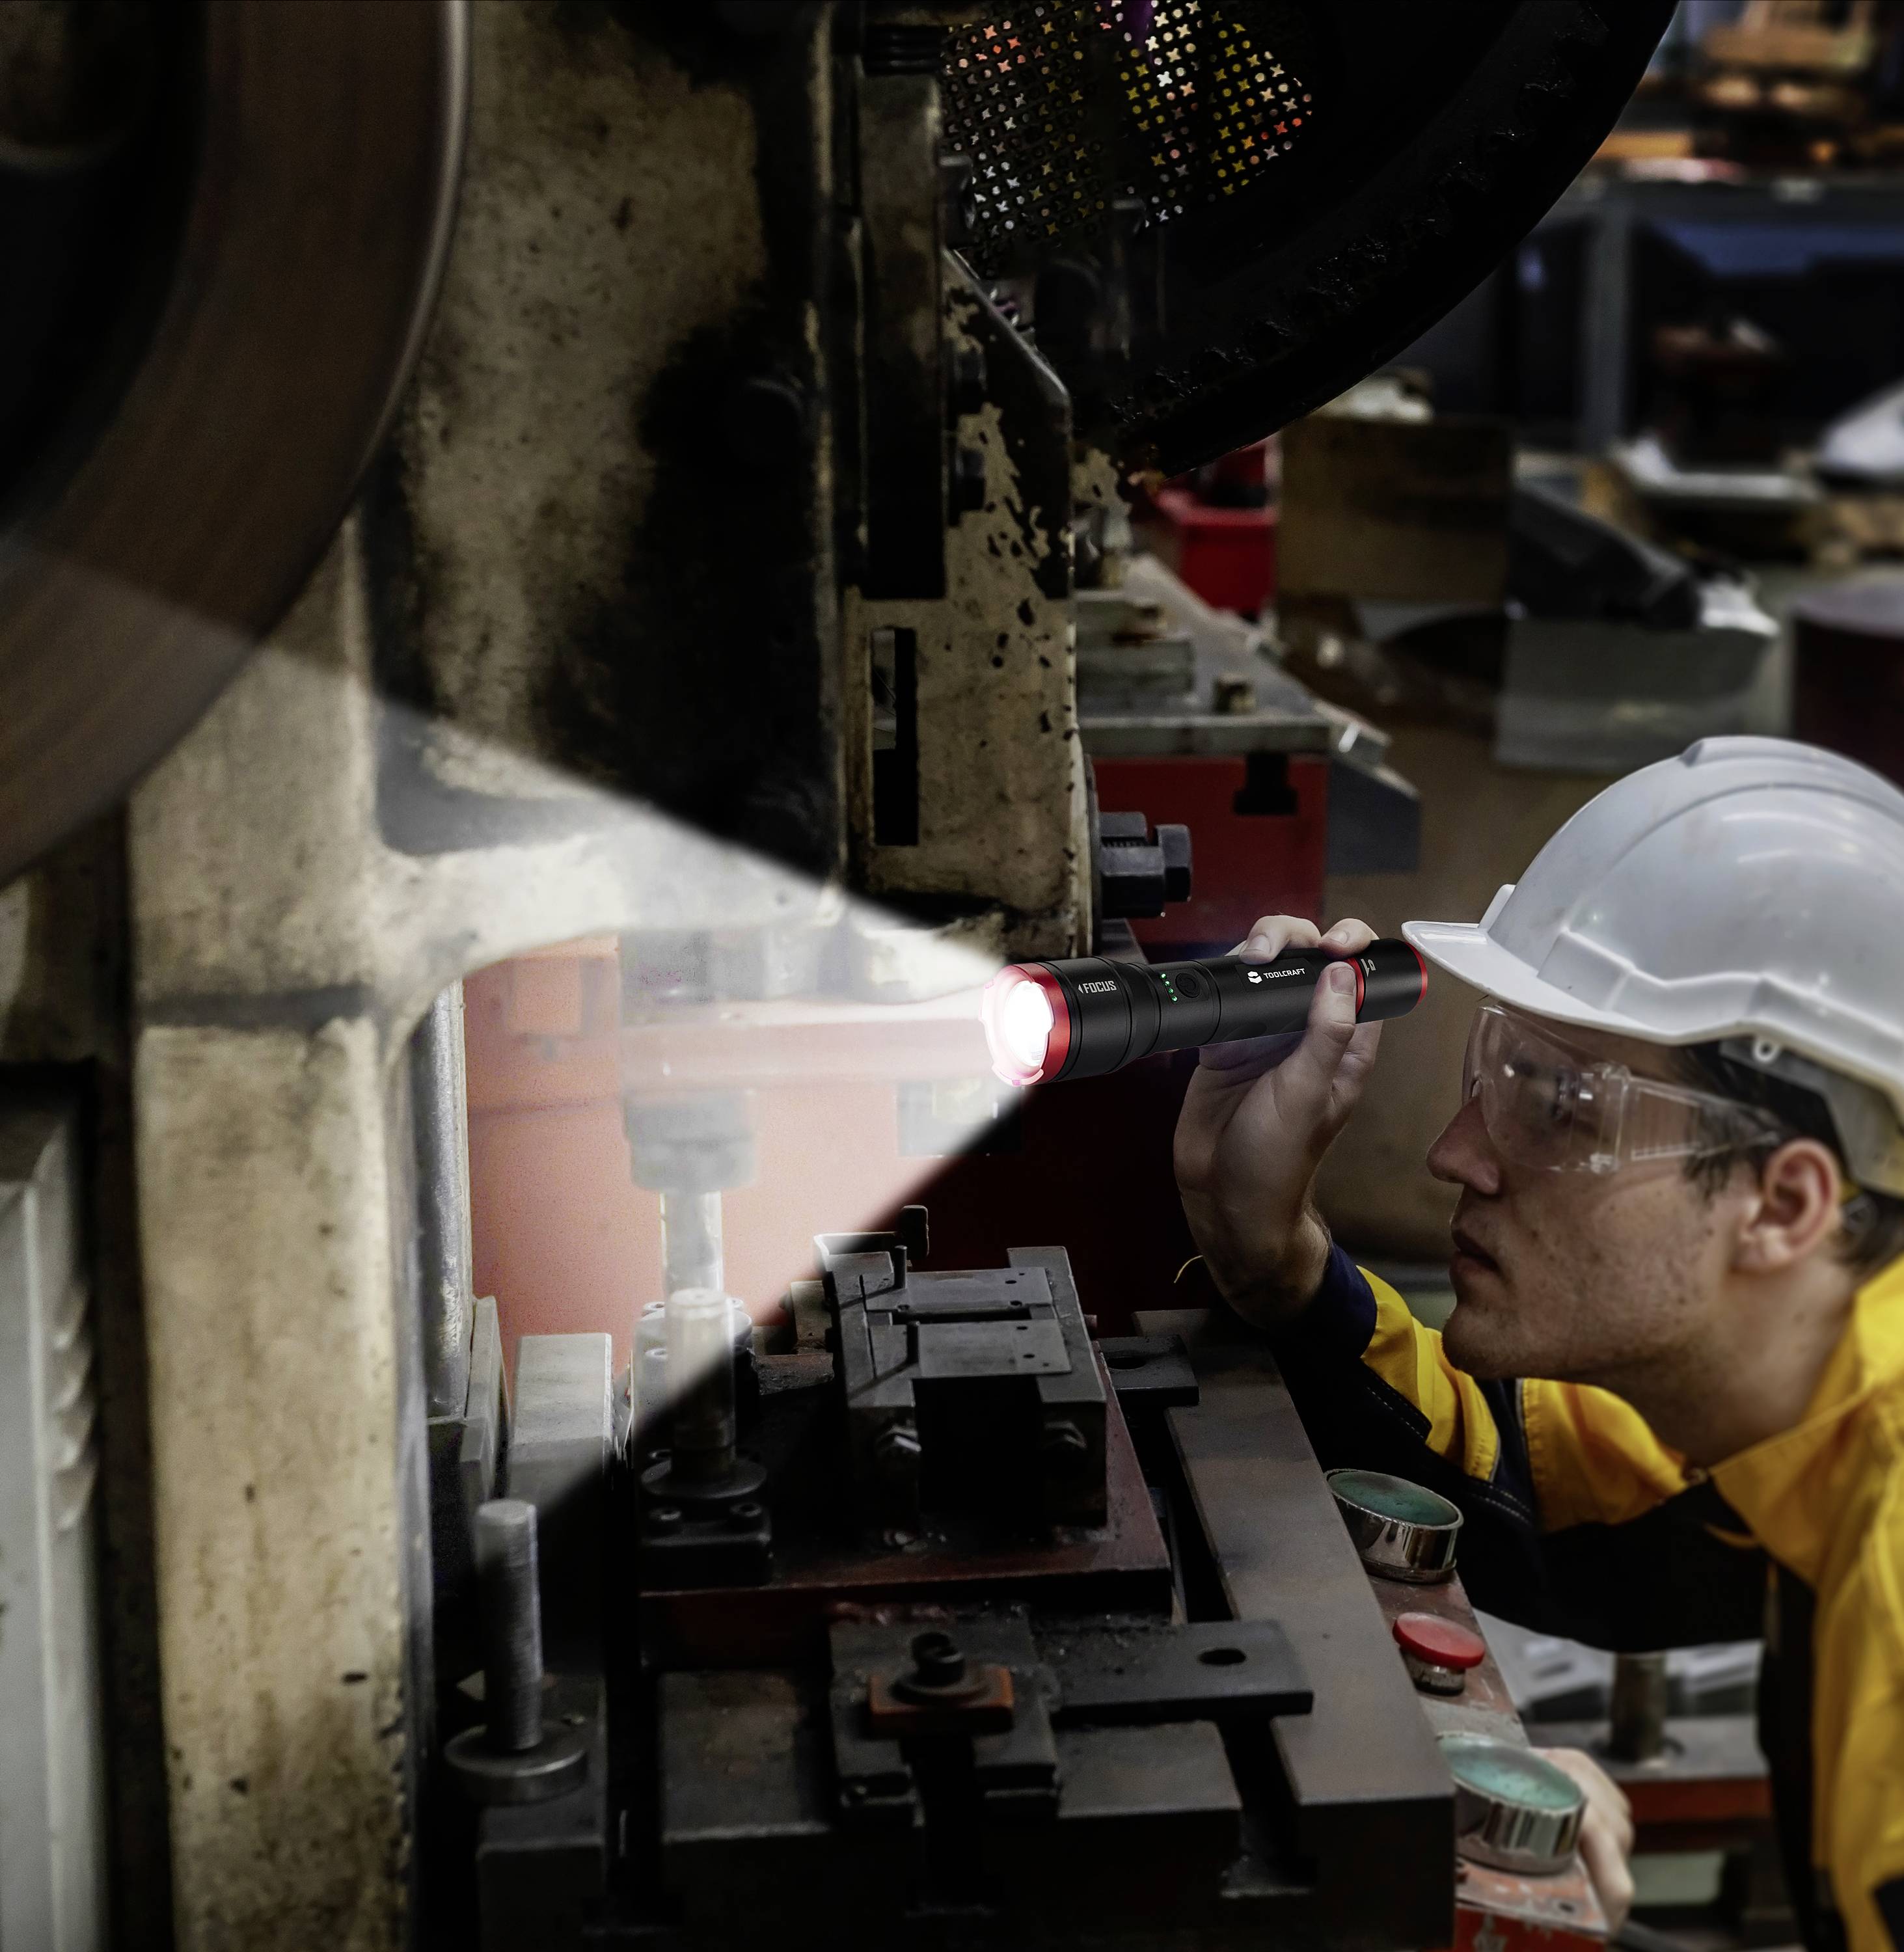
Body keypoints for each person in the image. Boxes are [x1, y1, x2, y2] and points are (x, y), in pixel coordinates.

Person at [1173, 737, 1904, 1952]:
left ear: (1783, 1205)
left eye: (1561, 1103)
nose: (1456, 1152)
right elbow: (1542, 1485)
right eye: (1490, 1074)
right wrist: (1279, 1263)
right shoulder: (1812, 1402)